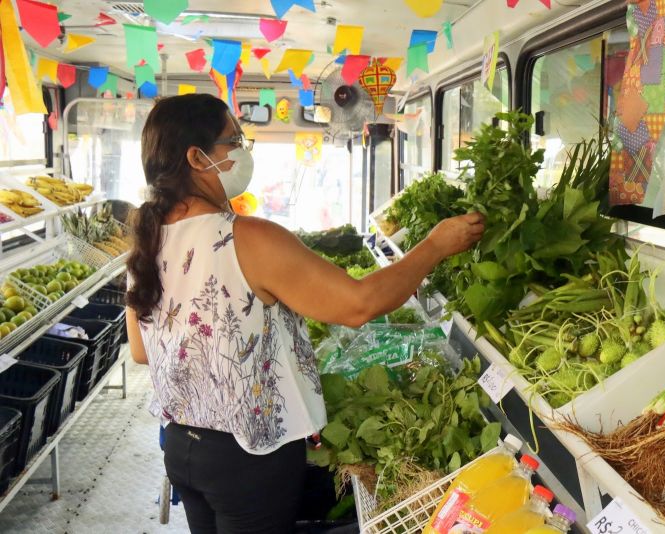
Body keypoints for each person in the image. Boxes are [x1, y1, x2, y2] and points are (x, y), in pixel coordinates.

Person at [124, 94, 484, 534]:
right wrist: (435, 246)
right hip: (249, 454)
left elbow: (142, 351)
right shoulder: (247, 236)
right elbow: (358, 304)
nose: (242, 149)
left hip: (183, 448)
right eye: (233, 139)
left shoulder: (147, 240)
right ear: (196, 157)